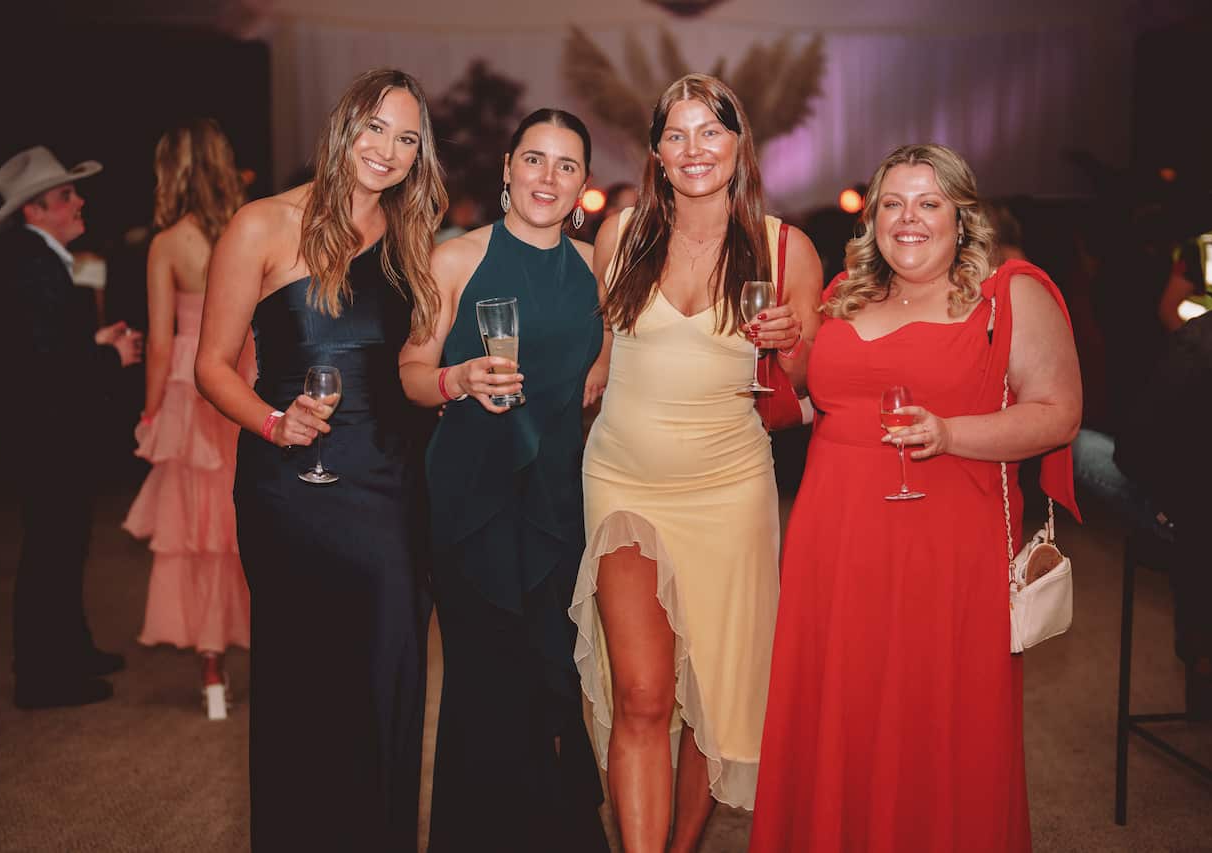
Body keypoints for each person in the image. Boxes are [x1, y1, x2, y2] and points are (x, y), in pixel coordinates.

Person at [750, 143, 1082, 852]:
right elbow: (812, 399)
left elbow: (1058, 412)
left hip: (948, 541)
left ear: (963, 215)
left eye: (928, 202)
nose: (909, 219)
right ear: (872, 219)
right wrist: (784, 353)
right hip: (833, 539)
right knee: (845, 705)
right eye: (893, 203)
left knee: (936, 714)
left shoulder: (1008, 294)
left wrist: (951, 432)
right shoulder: (845, 292)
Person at [568, 73, 823, 851]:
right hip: (623, 479)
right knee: (644, 695)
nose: (693, 150)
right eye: (675, 135)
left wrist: (791, 344)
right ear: (654, 153)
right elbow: (597, 361)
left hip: (729, 488)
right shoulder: (620, 234)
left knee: (712, 696)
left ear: (739, 144)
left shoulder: (787, 247)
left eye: (709, 132)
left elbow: (812, 384)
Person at [194, 68, 444, 850]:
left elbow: (414, 362)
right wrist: (274, 423)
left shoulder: (412, 238)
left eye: (407, 138)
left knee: (391, 679)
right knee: (306, 687)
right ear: (344, 127)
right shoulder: (261, 226)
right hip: (292, 488)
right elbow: (209, 365)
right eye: (377, 128)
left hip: (395, 484)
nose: (389, 150)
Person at [399, 108, 610, 852]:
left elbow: (616, 357)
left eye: (566, 165)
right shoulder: (454, 259)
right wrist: (455, 377)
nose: (547, 177)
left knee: (555, 675)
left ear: (585, 184)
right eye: (534, 159)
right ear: (506, 170)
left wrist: (605, 369)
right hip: (473, 497)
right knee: (486, 681)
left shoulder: (597, 269)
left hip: (559, 497)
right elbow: (411, 374)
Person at [0, 146, 143, 709]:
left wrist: (95, 345)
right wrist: (112, 356)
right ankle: (42, 676)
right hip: (46, 436)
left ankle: (70, 650)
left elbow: (47, 346)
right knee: (51, 550)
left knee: (65, 543)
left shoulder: (45, 257)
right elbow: (45, 365)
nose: (79, 202)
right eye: (65, 196)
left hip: (50, 432)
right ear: (35, 211)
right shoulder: (35, 265)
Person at [122, 119, 253, 721]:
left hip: (187, 383)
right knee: (243, 521)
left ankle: (212, 672)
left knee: (200, 532)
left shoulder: (167, 243)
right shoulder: (248, 226)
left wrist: (151, 413)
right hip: (244, 378)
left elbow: (158, 339)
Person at [1116, 190, 1212, 718]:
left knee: (1190, 491)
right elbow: (1170, 308)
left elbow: (1135, 453)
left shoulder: (1204, 342)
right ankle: (1203, 658)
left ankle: (1202, 655)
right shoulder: (1196, 254)